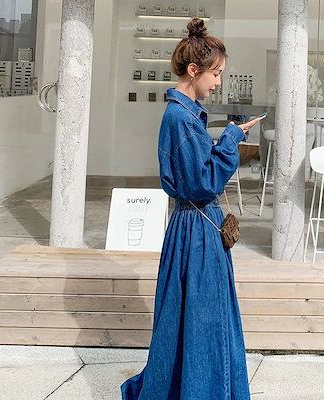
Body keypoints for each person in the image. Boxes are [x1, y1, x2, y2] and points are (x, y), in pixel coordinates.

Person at [120, 17, 263, 400]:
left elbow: (197, 173)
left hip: (193, 226)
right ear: (194, 70)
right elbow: (203, 183)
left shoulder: (184, 115)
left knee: (190, 320)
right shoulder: (181, 118)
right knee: (203, 321)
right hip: (197, 230)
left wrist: (228, 138)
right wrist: (231, 138)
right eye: (215, 74)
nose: (218, 82)